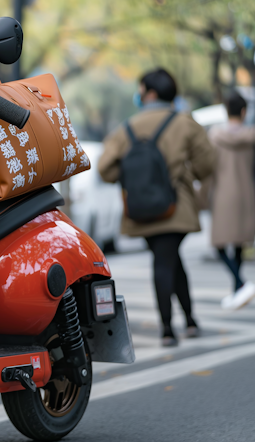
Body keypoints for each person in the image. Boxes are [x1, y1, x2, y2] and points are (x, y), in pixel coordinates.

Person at [98, 68, 215, 347]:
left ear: (150, 93)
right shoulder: (185, 123)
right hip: (176, 207)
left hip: (140, 209)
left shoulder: (126, 129)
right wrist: (189, 174)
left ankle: (186, 320)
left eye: (140, 90)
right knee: (168, 259)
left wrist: (132, 177)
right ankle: (169, 327)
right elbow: (207, 164)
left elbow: (105, 170)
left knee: (166, 259)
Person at [208, 92, 255, 310]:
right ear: (244, 111)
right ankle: (238, 287)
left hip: (222, 196)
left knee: (219, 245)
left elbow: (207, 165)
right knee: (237, 245)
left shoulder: (215, 136)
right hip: (247, 196)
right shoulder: (251, 135)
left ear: (226, 110)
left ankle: (240, 284)